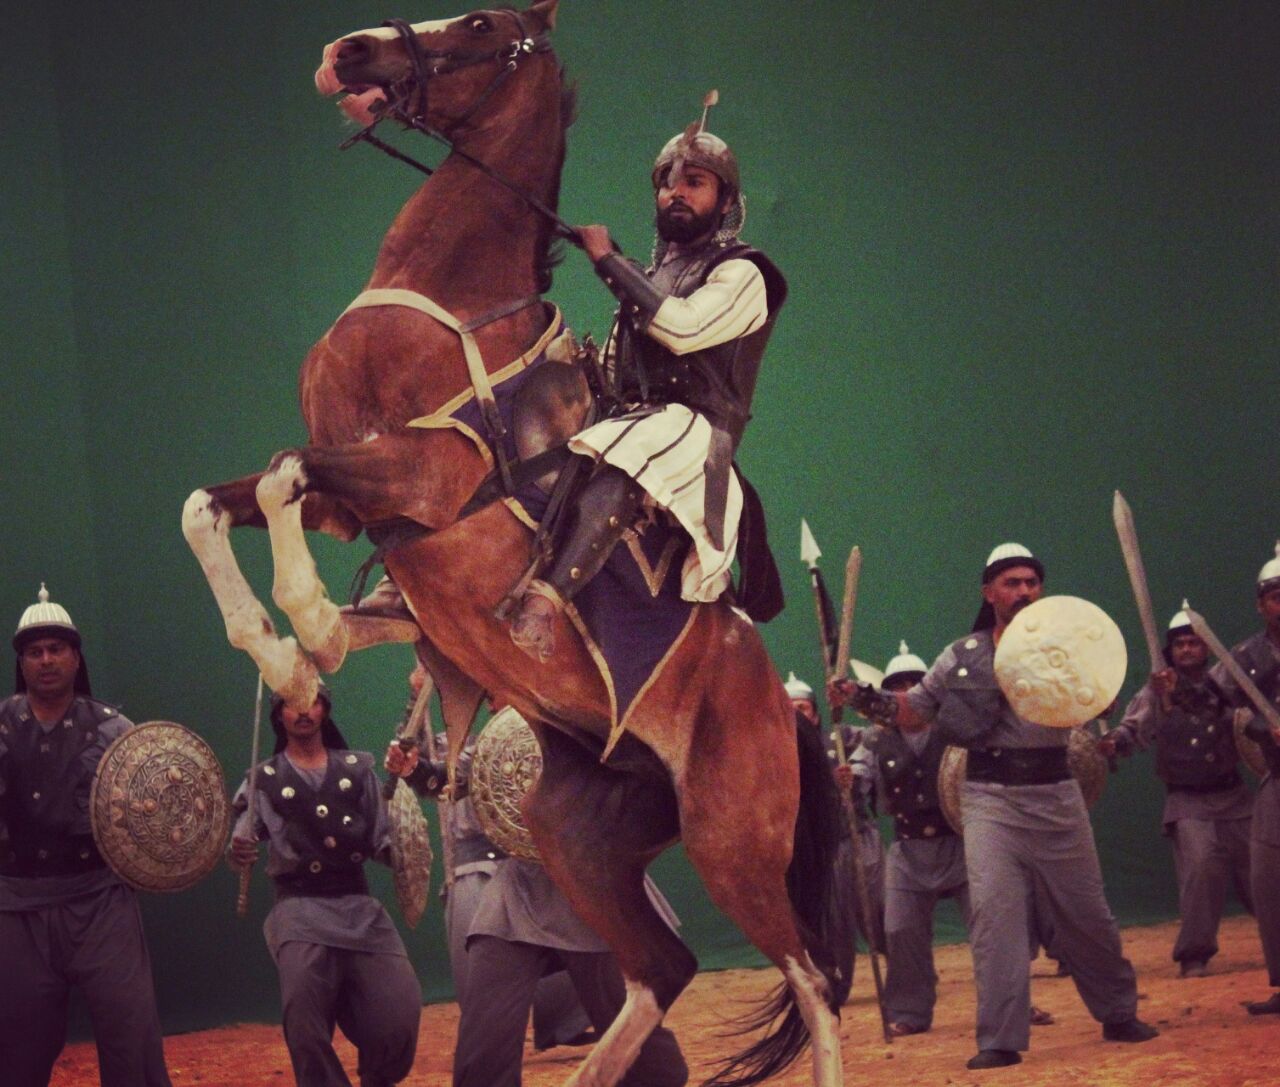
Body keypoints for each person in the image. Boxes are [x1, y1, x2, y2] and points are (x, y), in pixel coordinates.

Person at [831, 543, 1157, 1069]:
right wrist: (862, 697)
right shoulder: (961, 656)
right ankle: (1000, 1039)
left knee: (1087, 914)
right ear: (989, 592)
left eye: (1031, 582)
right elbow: (915, 711)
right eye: (1012, 583)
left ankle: (1118, 1013)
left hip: (1057, 793)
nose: (1024, 591)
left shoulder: (1066, 644)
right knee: (995, 919)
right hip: (988, 798)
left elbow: (1099, 696)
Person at [508, 97, 788, 660]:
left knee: (632, 447)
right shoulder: (654, 276)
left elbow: (684, 329)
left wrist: (609, 262)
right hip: (635, 418)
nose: (676, 192)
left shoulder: (745, 272)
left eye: (695, 182)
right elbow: (615, 371)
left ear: (725, 201)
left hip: (698, 431)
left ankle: (545, 602)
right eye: (667, 183)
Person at [387, 706, 688, 1087]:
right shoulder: (499, 740)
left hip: (590, 891)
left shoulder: (592, 730)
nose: (492, 700)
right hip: (518, 893)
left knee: (636, 1042)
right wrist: (415, 769)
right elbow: (448, 778)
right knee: (485, 1039)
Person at [0, 585, 172, 1087]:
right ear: (22, 662)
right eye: (35, 651)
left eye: (57, 649)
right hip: (17, 907)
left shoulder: (117, 731)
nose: (46, 660)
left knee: (129, 1032)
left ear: (76, 657)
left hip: (101, 903)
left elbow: (153, 817)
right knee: (19, 1043)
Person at [229, 687, 422, 1087]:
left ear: (325, 710)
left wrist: (404, 851)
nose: (303, 711)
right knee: (304, 1024)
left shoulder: (356, 770)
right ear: (278, 714)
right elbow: (241, 840)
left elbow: (383, 841)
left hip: (358, 907)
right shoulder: (264, 778)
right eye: (292, 704)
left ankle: (377, 1078)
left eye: (312, 702)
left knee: (400, 1013)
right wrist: (239, 850)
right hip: (299, 910)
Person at [1103, 609, 1253, 978]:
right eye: (1180, 644)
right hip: (1188, 800)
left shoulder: (1226, 682)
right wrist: (1115, 742)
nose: (1186, 649)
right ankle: (1194, 953)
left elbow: (1250, 716)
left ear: (1206, 648)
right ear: (1170, 650)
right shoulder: (1156, 692)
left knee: (1263, 872)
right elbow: (1133, 728)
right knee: (1200, 870)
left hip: (1234, 796)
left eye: (1194, 643)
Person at [858, 642, 973, 1036]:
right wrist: (848, 781)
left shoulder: (956, 730)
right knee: (900, 931)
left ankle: (1014, 1003)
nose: (906, 693)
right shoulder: (875, 740)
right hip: (908, 851)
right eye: (898, 686)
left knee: (991, 926)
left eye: (914, 684)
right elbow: (859, 773)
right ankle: (909, 1011)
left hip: (961, 844)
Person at [1205, 543, 1280, 1014]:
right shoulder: (1245, 656)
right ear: (1261, 604)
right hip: (1278, 777)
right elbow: (1209, 703)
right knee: (1270, 883)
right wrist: (1258, 726)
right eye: (1276, 596)